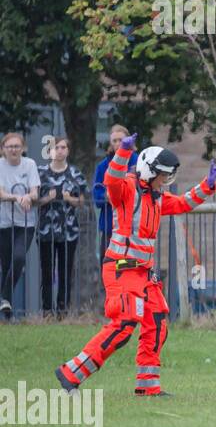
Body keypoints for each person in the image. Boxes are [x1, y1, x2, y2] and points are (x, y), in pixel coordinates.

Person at [56, 135, 216, 396]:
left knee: (156, 321)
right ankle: (71, 374)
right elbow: (110, 180)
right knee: (123, 325)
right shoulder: (126, 190)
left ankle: (148, 386)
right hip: (122, 269)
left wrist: (207, 185)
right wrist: (123, 152)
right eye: (163, 176)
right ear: (148, 172)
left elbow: (182, 204)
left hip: (143, 272)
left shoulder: (157, 197)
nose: (165, 182)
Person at [36, 137, 87, 315]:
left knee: (66, 271)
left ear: (68, 150)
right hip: (45, 231)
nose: (59, 150)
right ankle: (47, 311)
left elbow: (81, 201)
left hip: (69, 231)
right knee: (47, 272)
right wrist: (47, 199)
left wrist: (69, 199)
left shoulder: (75, 173)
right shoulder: (40, 173)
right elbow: (34, 201)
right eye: (55, 147)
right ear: (50, 150)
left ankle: (63, 310)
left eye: (63, 147)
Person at [0, 132, 42, 320]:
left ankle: (3, 297)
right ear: (3, 150)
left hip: (25, 222)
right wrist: (17, 196)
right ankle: (6, 309)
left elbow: (34, 192)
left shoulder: (30, 164)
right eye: (9, 147)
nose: (13, 150)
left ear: (23, 148)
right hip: (3, 223)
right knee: (7, 264)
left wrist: (28, 196)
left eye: (17, 146)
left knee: (18, 258)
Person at [93, 125, 136, 262]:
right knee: (107, 263)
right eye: (114, 141)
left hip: (132, 225)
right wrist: (107, 196)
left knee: (128, 265)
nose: (117, 144)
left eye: (121, 141)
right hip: (109, 225)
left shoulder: (138, 161)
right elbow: (97, 196)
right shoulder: (103, 166)